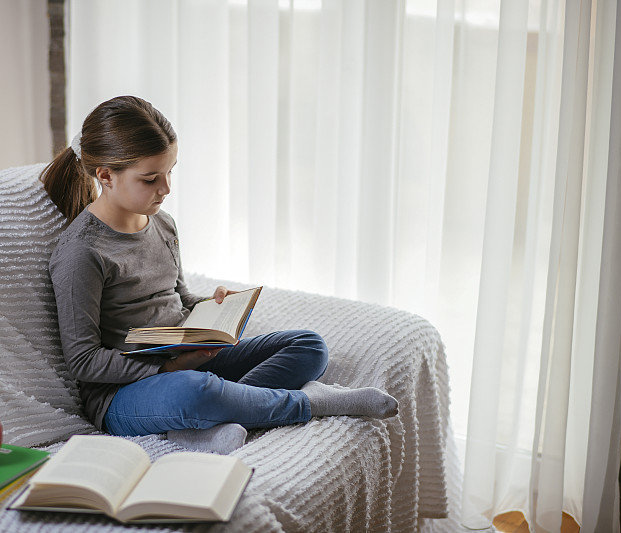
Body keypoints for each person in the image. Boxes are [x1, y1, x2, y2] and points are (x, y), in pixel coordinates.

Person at [42, 95, 398, 454]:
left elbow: (177, 296)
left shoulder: (162, 223)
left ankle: (220, 419)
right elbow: (83, 360)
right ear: (106, 176)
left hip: (186, 356)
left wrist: (212, 308)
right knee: (196, 392)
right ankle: (312, 403)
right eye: (151, 179)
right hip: (125, 393)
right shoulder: (81, 253)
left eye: (170, 172)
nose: (166, 189)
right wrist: (168, 370)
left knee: (307, 345)